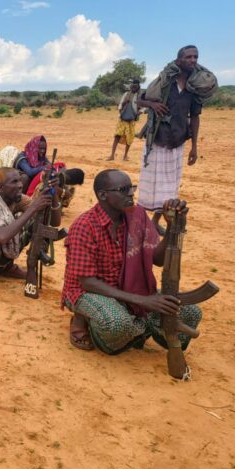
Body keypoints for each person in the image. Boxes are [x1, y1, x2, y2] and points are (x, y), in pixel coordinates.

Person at [62, 169, 202, 353]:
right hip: (87, 291)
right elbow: (87, 282)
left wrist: (170, 226)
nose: (131, 193)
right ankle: (83, 318)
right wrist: (143, 301)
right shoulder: (84, 226)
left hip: (128, 288)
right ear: (102, 195)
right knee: (117, 324)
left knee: (191, 312)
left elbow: (157, 260)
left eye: (131, 188)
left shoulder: (137, 217)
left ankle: (141, 329)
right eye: (123, 189)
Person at [137, 45, 218, 230]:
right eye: (188, 57)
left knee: (170, 184)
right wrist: (152, 105)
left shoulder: (195, 87)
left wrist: (194, 148)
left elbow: (195, 117)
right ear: (179, 59)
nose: (193, 60)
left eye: (195, 57)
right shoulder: (165, 81)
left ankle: (156, 222)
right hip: (158, 139)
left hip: (177, 140)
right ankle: (143, 223)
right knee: (150, 184)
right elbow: (139, 100)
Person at [108, 80, 142, 161]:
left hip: (131, 120)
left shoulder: (140, 96)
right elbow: (120, 105)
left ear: (138, 87)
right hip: (122, 119)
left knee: (129, 138)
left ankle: (125, 156)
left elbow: (144, 107)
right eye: (132, 86)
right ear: (131, 86)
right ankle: (112, 155)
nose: (133, 88)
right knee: (117, 136)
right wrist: (124, 103)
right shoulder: (126, 94)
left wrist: (140, 112)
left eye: (135, 86)